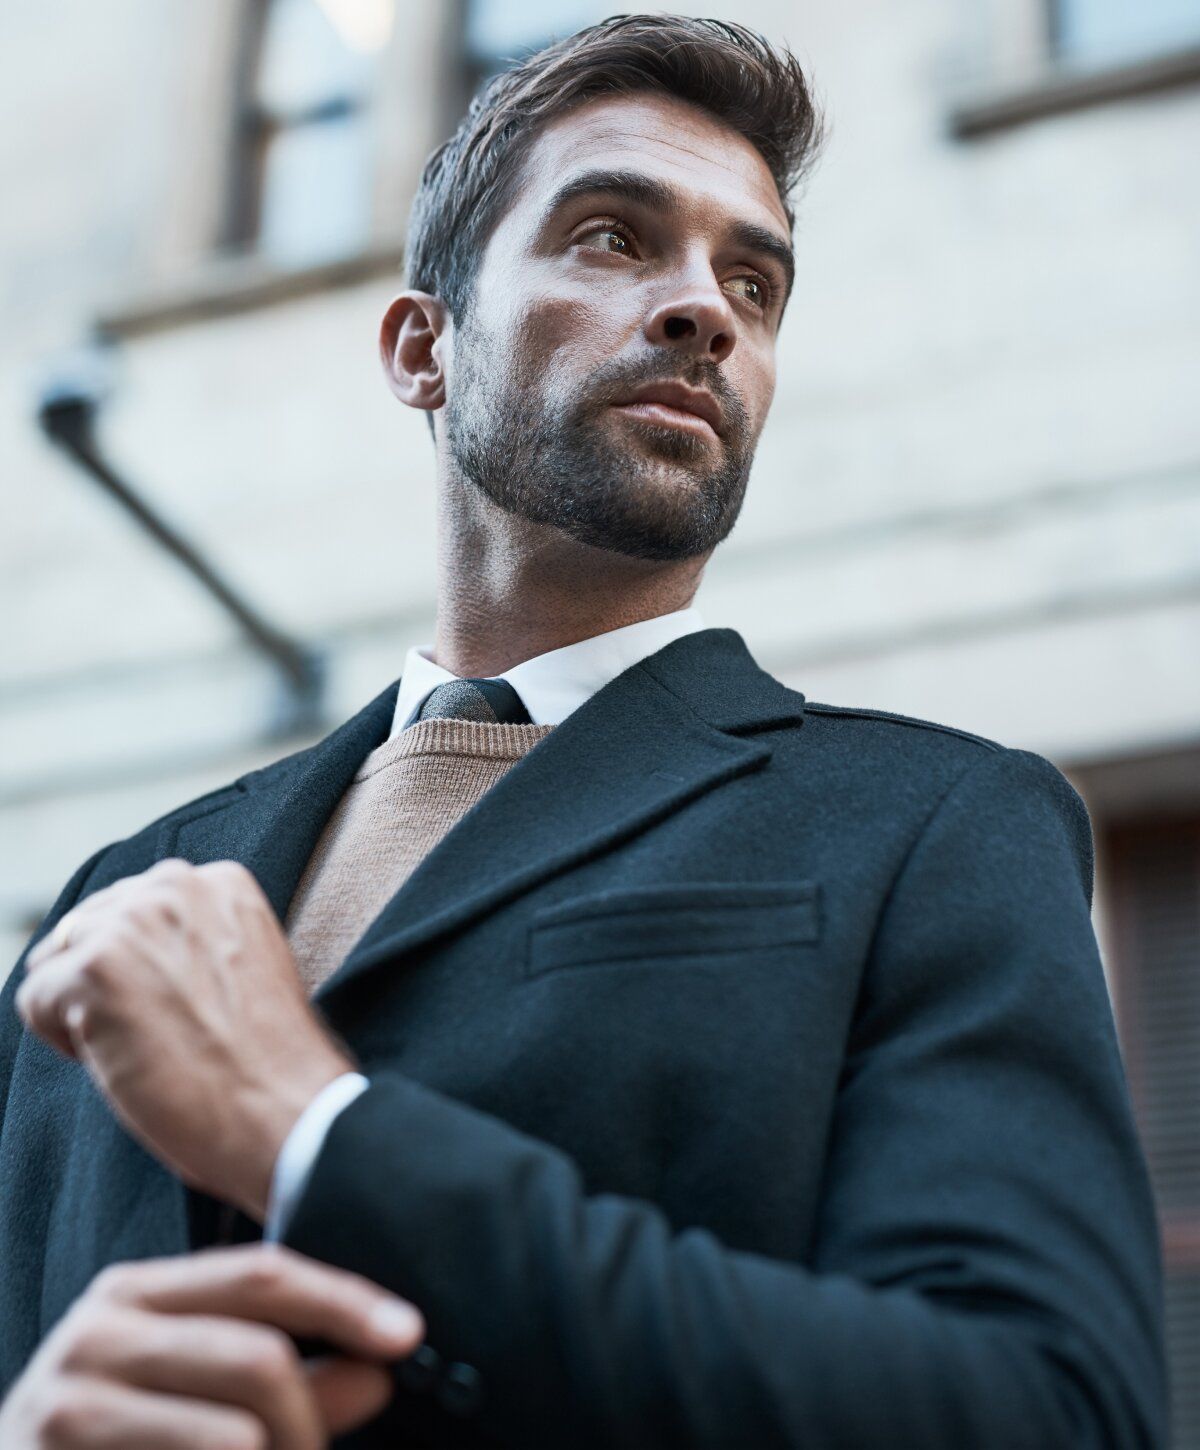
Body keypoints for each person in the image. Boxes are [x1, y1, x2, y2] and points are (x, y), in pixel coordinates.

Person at [0, 14, 1168, 1449]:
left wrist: (320, 1130)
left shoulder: (939, 824)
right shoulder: (118, 901)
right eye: (615, 237)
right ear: (423, 347)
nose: (707, 309)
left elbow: (1044, 1411)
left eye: (754, 278)